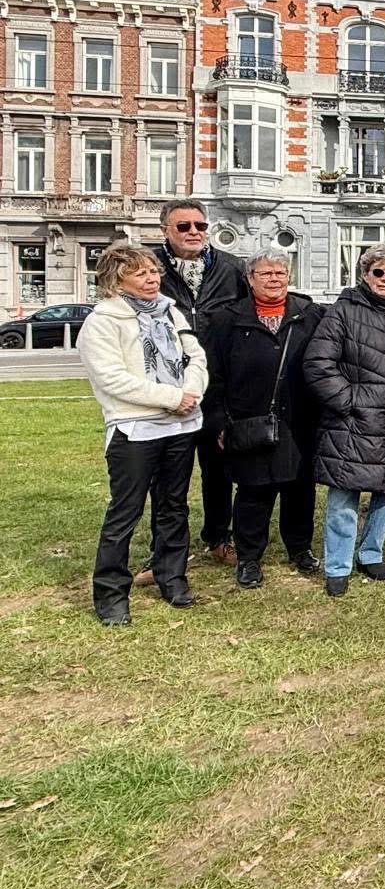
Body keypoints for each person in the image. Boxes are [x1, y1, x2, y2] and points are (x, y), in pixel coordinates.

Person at [80, 243, 208, 625]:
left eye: (154, 271)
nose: (152, 279)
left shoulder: (170, 312)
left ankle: (172, 576)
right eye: (141, 273)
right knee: (125, 512)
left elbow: (195, 356)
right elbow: (112, 378)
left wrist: (192, 393)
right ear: (116, 280)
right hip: (135, 428)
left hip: (181, 425)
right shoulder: (104, 320)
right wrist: (171, 397)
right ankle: (111, 593)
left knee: (173, 505)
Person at [205, 246, 325, 589]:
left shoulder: (308, 313)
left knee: (300, 490)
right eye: (266, 273)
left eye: (280, 272)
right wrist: (219, 421)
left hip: (299, 420)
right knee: (254, 491)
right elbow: (213, 376)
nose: (274, 279)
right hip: (248, 419)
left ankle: (300, 549)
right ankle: (249, 558)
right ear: (250, 279)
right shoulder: (228, 319)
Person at [303, 246, 385, 597]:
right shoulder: (343, 311)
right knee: (344, 494)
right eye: (378, 272)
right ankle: (338, 564)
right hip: (351, 420)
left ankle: (371, 553)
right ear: (364, 274)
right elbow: (318, 363)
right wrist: (349, 401)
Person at [152, 198, 247, 568]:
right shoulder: (150, 267)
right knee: (168, 477)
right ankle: (163, 549)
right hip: (168, 389)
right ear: (165, 231)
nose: (194, 232)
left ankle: (218, 537)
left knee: (219, 471)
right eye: (184, 226)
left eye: (200, 226)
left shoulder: (231, 268)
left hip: (217, 390)